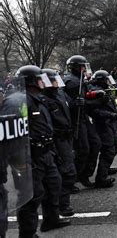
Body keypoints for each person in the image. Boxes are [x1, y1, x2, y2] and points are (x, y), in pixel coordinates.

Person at [15, 65, 71, 237]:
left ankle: (51, 219)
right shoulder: (21, 102)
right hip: (30, 156)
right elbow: (16, 130)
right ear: (31, 81)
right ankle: (27, 233)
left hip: (46, 152)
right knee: (32, 196)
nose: (43, 82)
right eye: (40, 78)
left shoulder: (39, 99)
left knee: (54, 185)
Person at [42, 69, 77, 216]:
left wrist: (79, 102)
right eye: (54, 80)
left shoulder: (61, 94)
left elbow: (71, 106)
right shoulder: (43, 100)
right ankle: (62, 206)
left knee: (67, 171)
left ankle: (61, 204)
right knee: (66, 172)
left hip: (67, 137)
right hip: (57, 140)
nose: (57, 83)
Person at [88, 70, 117, 188]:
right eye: (106, 80)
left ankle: (105, 168)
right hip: (102, 124)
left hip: (109, 123)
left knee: (115, 146)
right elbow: (95, 111)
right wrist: (113, 115)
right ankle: (101, 179)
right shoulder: (96, 92)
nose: (109, 82)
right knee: (108, 150)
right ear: (101, 80)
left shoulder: (105, 91)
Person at [63, 55, 96, 188]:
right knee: (82, 150)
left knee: (95, 144)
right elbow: (64, 102)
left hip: (83, 117)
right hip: (75, 120)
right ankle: (73, 178)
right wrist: (75, 103)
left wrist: (96, 96)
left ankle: (84, 174)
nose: (84, 69)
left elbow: (86, 97)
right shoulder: (71, 82)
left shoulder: (80, 80)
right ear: (76, 67)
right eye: (82, 66)